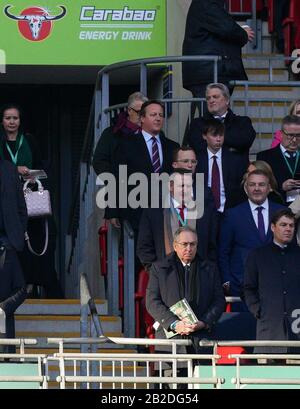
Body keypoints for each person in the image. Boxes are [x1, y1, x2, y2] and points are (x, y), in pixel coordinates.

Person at [0, 104, 62, 298]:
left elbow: (43, 166)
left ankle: (36, 286)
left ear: (20, 121)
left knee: (35, 243)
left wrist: (34, 175)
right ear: (2, 121)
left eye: (15, 118)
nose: (11, 122)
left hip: (30, 199)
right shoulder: (0, 142)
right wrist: (14, 170)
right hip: (6, 202)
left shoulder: (29, 141)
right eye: (8, 118)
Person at [146, 226, 225, 354]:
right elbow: (152, 302)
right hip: (170, 342)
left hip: (202, 340)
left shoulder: (210, 269)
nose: (189, 248)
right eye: (184, 244)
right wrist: (174, 323)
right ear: (175, 246)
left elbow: (219, 300)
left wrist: (204, 322)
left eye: (192, 244)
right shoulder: (159, 269)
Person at [106, 100, 179, 232]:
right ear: (142, 118)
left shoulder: (173, 146)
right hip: (136, 213)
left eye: (161, 115)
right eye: (153, 115)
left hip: (166, 214)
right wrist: (113, 211)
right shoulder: (126, 145)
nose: (158, 118)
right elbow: (116, 177)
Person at [218, 169, 285, 302]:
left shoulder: (282, 212)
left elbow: (290, 249)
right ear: (246, 188)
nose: (256, 188)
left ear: (269, 187)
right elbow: (223, 252)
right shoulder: (232, 215)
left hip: (277, 286)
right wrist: (227, 281)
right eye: (252, 184)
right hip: (241, 287)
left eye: (261, 184)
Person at [137, 169, 218, 270]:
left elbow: (212, 246)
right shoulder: (153, 213)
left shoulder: (204, 212)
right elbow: (144, 248)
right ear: (170, 187)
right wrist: (157, 273)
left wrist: (207, 271)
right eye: (181, 186)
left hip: (198, 276)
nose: (186, 190)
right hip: (165, 277)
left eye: (189, 186)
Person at [244, 208, 300, 354]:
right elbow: (248, 288)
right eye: (283, 225)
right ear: (273, 227)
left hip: (297, 328)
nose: (288, 229)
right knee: (266, 371)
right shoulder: (257, 255)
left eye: (291, 225)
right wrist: (258, 310)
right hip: (268, 329)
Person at [182, 0, 254, 99]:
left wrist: (240, 33)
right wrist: (243, 34)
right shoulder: (207, 3)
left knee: (212, 112)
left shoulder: (207, 4)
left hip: (207, 72)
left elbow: (223, 28)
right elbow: (227, 28)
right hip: (209, 73)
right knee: (212, 111)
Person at [186, 83, 256, 166]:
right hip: (204, 173)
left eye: (215, 97)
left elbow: (244, 142)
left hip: (235, 174)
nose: (211, 100)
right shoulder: (197, 124)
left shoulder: (242, 122)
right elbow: (198, 147)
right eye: (208, 98)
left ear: (227, 100)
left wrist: (211, 140)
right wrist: (231, 146)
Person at [0, 158, 28, 349]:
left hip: (7, 241)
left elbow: (21, 207)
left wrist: (2, 308)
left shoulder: (8, 168)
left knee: (10, 292)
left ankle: (7, 355)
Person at [195, 118, 247, 213]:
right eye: (214, 135)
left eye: (221, 135)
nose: (218, 139)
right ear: (204, 136)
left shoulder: (235, 160)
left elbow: (239, 189)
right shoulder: (197, 159)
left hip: (229, 210)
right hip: (204, 211)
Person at [92, 92, 148, 175]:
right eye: (139, 112)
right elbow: (99, 162)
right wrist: (114, 181)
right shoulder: (111, 134)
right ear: (129, 110)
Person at [257, 115, 300, 205]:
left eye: (298, 135)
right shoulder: (265, 157)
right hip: (277, 207)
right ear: (281, 134)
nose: (295, 140)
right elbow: (259, 186)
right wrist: (281, 187)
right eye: (290, 135)